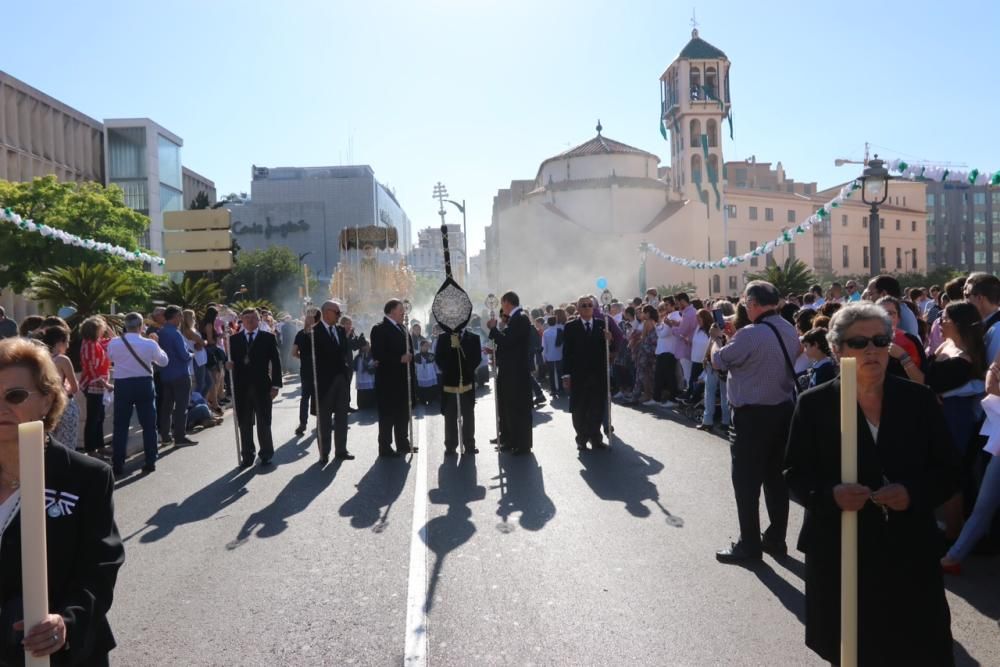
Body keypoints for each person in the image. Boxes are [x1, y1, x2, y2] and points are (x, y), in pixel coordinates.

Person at [784, 303, 958, 666]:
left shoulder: (918, 400)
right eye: (858, 342)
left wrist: (912, 492)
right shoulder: (814, 405)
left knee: (917, 648)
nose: (871, 351)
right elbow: (794, 474)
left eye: (880, 340)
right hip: (841, 550)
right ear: (837, 349)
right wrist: (831, 494)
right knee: (851, 649)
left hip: (908, 551)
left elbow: (949, 470)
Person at [0, 337, 125, 665]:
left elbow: (100, 566)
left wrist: (67, 622)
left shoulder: (87, 476)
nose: (1, 407)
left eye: (14, 396)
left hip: (62, 655)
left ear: (46, 400)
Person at [710, 281, 800, 564]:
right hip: (782, 412)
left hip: (751, 416)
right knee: (775, 480)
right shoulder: (788, 328)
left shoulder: (749, 334)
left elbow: (720, 362)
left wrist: (716, 340)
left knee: (746, 483)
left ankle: (749, 545)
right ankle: (776, 539)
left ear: (752, 304)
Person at [107, 312, 169, 475]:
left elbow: (110, 358)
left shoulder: (114, 343)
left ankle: (118, 463)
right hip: (144, 383)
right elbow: (163, 361)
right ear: (141, 327)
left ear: (125, 326)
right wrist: (157, 343)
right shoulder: (149, 344)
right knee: (148, 424)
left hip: (123, 384)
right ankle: (150, 460)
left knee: (120, 425)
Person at [227, 308, 283, 467]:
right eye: (246, 318)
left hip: (262, 386)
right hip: (241, 387)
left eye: (253, 318)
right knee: (244, 422)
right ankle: (247, 455)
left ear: (259, 320)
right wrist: (228, 365)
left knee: (264, 421)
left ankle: (266, 453)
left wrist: (276, 385)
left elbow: (276, 363)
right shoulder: (234, 339)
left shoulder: (268, 338)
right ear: (242, 321)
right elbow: (230, 362)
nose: (250, 321)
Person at [561, 295, 612, 451]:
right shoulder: (570, 327)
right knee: (579, 409)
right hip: (578, 375)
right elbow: (567, 352)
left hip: (598, 374)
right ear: (578, 308)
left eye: (589, 305)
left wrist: (608, 340)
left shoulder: (602, 324)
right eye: (583, 305)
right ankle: (581, 439)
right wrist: (566, 375)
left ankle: (596, 438)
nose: (587, 307)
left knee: (597, 408)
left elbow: (607, 350)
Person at [487, 291, 534, 455]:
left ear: (507, 303)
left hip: (517, 372)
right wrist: (495, 354)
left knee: (518, 407)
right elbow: (508, 345)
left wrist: (493, 330)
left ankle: (522, 444)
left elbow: (509, 342)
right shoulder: (514, 319)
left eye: (502, 304)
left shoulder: (520, 318)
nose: (501, 308)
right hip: (509, 370)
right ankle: (510, 439)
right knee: (507, 406)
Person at [371, 299, 415, 457]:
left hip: (404, 380)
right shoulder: (379, 329)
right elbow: (378, 354)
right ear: (391, 311)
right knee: (387, 416)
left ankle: (403, 443)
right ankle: (385, 446)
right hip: (388, 382)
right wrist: (399, 359)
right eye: (401, 309)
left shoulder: (402, 327)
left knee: (403, 414)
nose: (404, 312)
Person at [312, 300, 353, 464]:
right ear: (327, 312)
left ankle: (341, 450)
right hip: (324, 382)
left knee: (342, 416)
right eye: (337, 313)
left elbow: (344, 351)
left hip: (341, 379)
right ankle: (324, 452)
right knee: (324, 419)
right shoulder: (314, 331)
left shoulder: (340, 330)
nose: (339, 316)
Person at [435, 326, 483, 455]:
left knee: (468, 414)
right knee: (450, 415)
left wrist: (465, 364)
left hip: (466, 381)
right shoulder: (443, 337)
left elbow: (477, 358)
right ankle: (450, 445)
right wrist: (452, 351)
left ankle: (469, 444)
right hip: (449, 381)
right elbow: (439, 358)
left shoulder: (473, 337)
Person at [41, 325, 80, 451]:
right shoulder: (63, 360)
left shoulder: (40, 358)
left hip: (45, 408)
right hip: (64, 406)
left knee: (49, 448)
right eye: (67, 342)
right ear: (60, 342)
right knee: (67, 448)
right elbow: (74, 388)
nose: (68, 346)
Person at [79, 316, 112, 455]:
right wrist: (105, 384)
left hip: (98, 385)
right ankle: (91, 448)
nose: (103, 330)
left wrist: (109, 329)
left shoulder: (95, 342)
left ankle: (99, 445)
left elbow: (113, 340)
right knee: (93, 418)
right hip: (94, 385)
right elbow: (92, 368)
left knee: (99, 417)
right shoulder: (90, 345)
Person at [876, 296, 926, 384]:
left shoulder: (909, 340)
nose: (886, 317)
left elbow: (922, 381)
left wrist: (904, 357)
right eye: (881, 313)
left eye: (891, 313)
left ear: (898, 318)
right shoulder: (863, 342)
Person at [292, 307, 319, 437]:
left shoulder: (319, 333)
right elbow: (294, 353)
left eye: (311, 316)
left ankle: (319, 421)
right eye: (308, 316)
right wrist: (305, 358)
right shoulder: (301, 334)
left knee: (316, 397)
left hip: (318, 370)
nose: (309, 318)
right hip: (308, 370)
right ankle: (303, 423)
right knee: (307, 397)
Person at [541, 313, 564, 398]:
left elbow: (544, 346)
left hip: (549, 355)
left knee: (551, 374)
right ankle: (561, 389)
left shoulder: (546, 333)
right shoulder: (560, 330)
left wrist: (544, 356)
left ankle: (553, 390)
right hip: (559, 354)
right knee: (559, 372)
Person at [354, 342, 377, 410]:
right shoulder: (358, 357)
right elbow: (354, 366)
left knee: (370, 391)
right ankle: (362, 405)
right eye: (364, 346)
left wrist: (369, 368)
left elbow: (375, 366)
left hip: (370, 378)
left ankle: (371, 404)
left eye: (367, 346)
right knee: (362, 393)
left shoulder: (373, 355)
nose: (365, 348)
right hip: (361, 378)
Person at [414, 340, 438, 406]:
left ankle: (430, 399)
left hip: (430, 374)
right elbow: (415, 366)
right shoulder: (417, 356)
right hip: (421, 375)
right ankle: (422, 400)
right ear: (421, 347)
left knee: (430, 388)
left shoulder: (431, 355)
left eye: (427, 346)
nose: (426, 347)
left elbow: (434, 364)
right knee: (421, 388)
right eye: (424, 346)